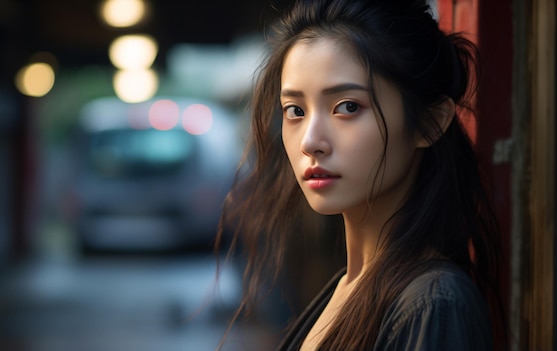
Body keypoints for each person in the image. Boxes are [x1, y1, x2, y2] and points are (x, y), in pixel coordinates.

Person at [215, 0, 508, 349]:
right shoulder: (346, 288)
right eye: (295, 111)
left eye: (348, 107)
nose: (310, 141)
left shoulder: (433, 305)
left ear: (429, 122)